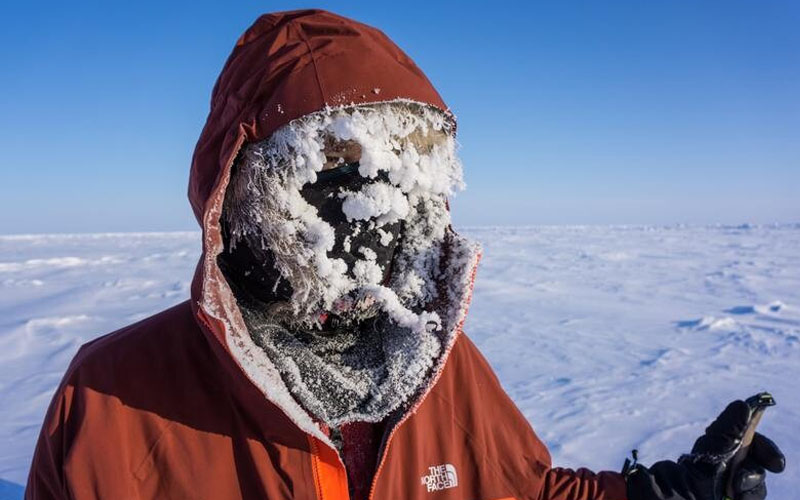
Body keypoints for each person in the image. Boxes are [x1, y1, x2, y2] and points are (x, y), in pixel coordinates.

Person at [25, 9, 784, 500]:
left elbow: (523, 490)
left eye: (401, 176)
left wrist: (664, 493)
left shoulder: (433, 365)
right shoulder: (111, 398)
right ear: (247, 192)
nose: (375, 211)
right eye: (335, 171)